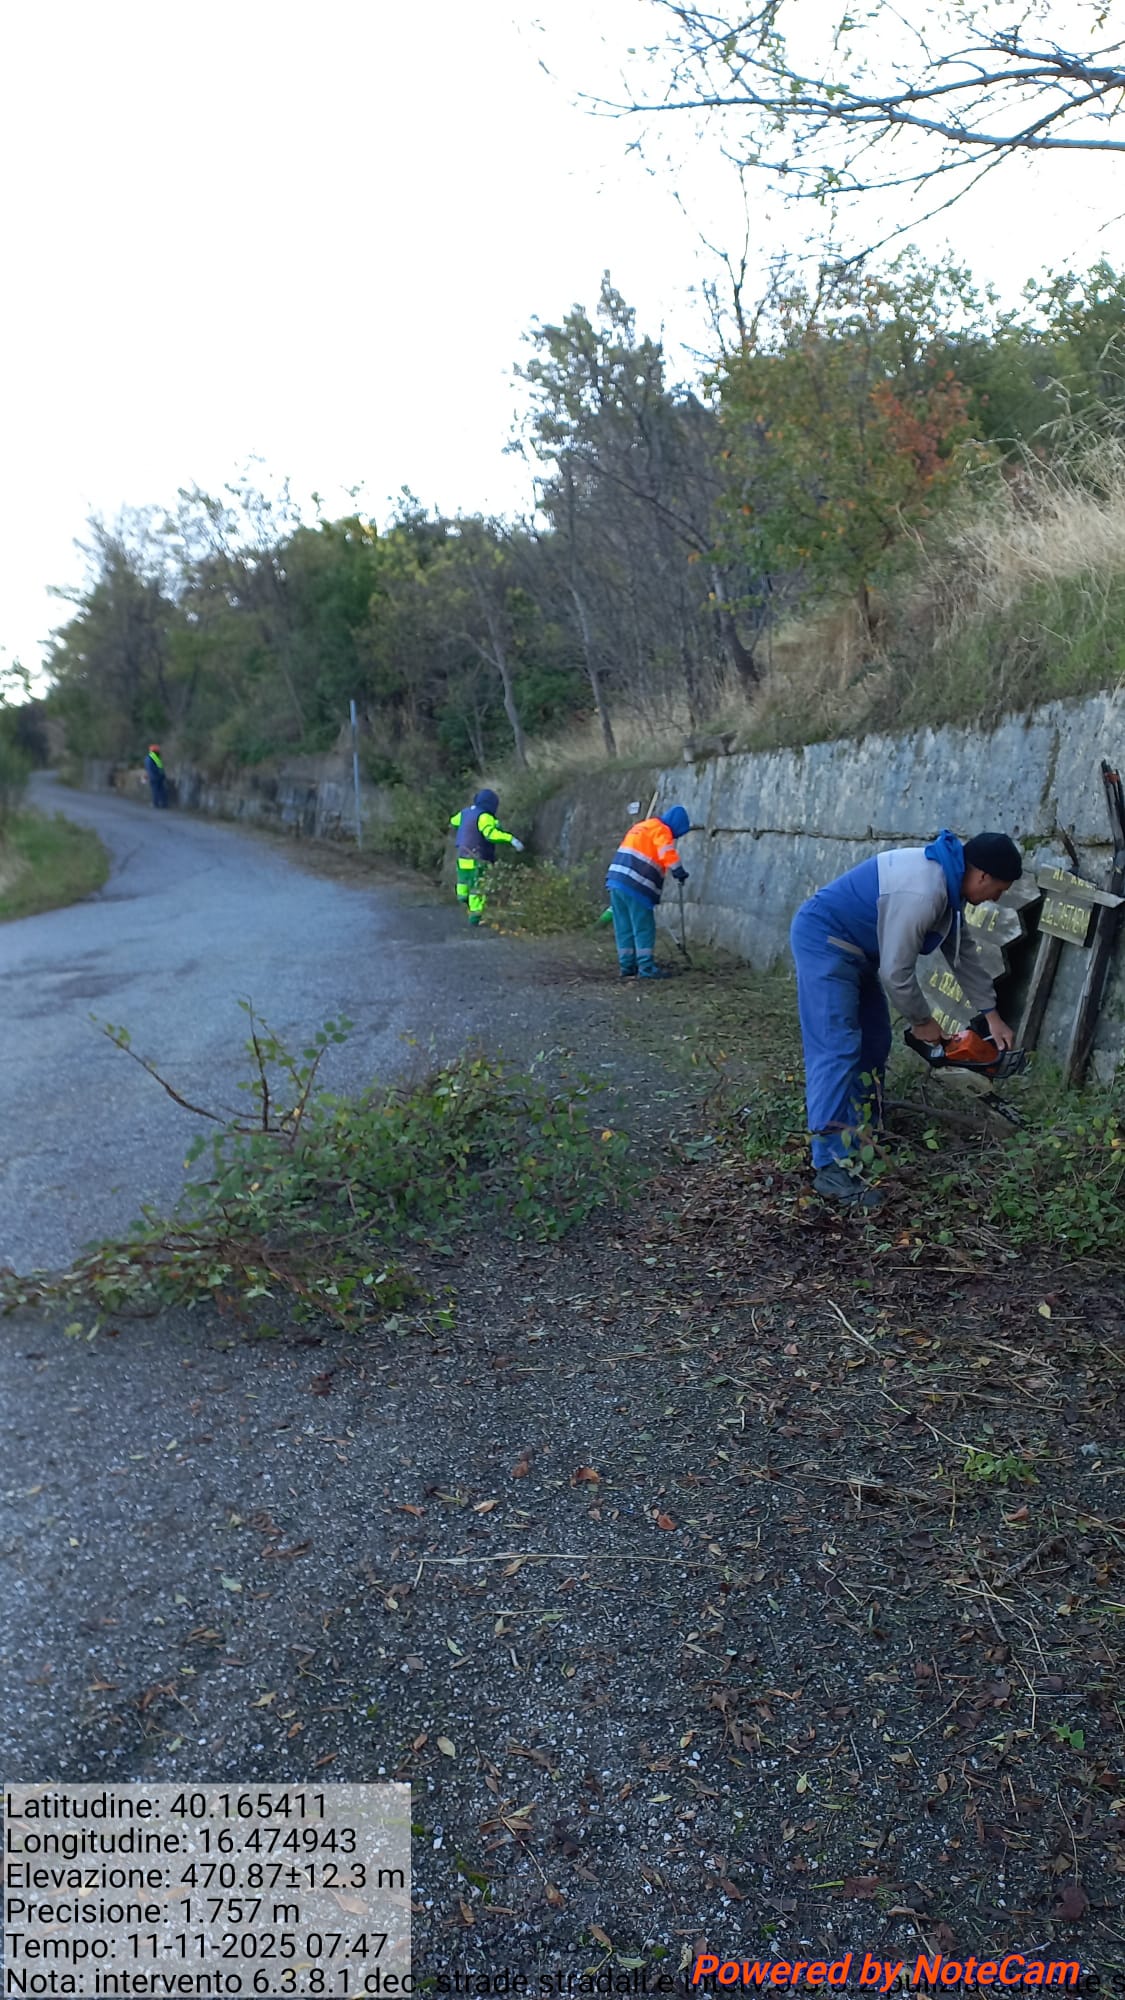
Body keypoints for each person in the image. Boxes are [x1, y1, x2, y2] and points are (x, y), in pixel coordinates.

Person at [789, 829, 1022, 1208]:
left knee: (875, 1042)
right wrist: (922, 1021)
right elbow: (896, 973)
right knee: (837, 1047)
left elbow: (964, 957)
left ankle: (864, 1134)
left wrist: (991, 1015)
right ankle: (830, 1164)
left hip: (860, 952)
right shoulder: (925, 892)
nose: (996, 898)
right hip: (825, 941)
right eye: (999, 889)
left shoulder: (948, 888)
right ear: (982, 876)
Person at [606, 804, 691, 980]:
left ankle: (627, 966)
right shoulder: (661, 830)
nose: (674, 838)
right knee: (643, 927)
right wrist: (678, 870)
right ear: (675, 825)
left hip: (615, 880)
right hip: (635, 884)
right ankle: (646, 967)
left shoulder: (642, 826)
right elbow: (666, 851)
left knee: (623, 926)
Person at [449, 788, 523, 925]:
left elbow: (453, 821)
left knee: (463, 880)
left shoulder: (465, 813)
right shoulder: (485, 817)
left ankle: (462, 897)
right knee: (477, 887)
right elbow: (490, 834)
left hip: (463, 855)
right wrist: (510, 839)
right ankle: (475, 917)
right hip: (478, 857)